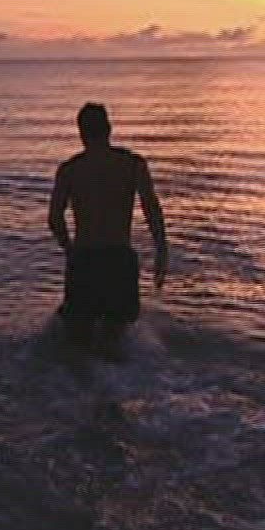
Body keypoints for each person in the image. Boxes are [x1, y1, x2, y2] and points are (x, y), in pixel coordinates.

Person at [48, 102, 167, 351]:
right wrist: (161, 250)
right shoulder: (132, 164)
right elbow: (151, 209)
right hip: (118, 259)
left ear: (81, 132)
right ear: (109, 128)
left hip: (84, 258)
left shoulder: (70, 170)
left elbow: (55, 218)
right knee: (115, 340)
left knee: (77, 343)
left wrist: (70, 250)